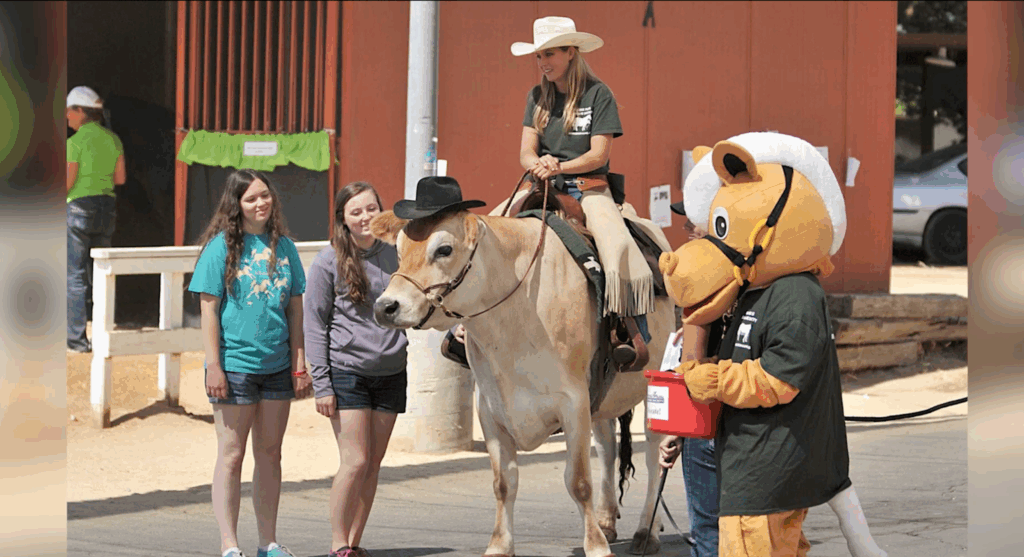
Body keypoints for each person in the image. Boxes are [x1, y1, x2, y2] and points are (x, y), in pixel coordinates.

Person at [510, 16, 654, 366]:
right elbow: (526, 151)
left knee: (617, 245)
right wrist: (539, 164)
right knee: (493, 227)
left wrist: (559, 166)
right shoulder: (536, 96)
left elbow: (598, 155)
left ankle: (627, 328)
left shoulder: (598, 94)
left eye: (550, 54)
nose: (542, 63)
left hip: (588, 188)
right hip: (542, 183)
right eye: (539, 56)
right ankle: (465, 329)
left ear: (571, 52)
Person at [188, 169, 312, 557]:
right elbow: (208, 309)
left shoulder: (285, 248)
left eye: (265, 195)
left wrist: (299, 363)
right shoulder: (220, 248)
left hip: (277, 367)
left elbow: (296, 310)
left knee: (270, 454)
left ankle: (267, 543)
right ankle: (229, 545)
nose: (261, 203)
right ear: (236, 204)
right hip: (235, 366)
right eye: (251, 198)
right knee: (232, 455)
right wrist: (214, 365)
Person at [304, 182, 409, 557]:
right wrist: (322, 385)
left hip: (391, 369)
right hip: (347, 371)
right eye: (356, 211)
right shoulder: (327, 261)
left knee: (373, 465)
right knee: (355, 461)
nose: (365, 217)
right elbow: (314, 324)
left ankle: (354, 542)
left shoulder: (398, 252)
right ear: (342, 219)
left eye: (371, 208)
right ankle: (337, 544)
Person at [66, 85, 126, 352]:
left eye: (69, 111)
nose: (66, 116)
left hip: (78, 209)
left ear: (81, 111)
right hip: (107, 208)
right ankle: (104, 334)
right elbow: (120, 179)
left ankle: (76, 340)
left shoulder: (75, 142)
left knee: (75, 275)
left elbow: (67, 183)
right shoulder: (113, 140)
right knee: (101, 272)